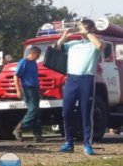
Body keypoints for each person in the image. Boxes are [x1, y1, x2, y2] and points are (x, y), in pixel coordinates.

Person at [54, 18, 104, 155]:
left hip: (86, 80)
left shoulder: (95, 43)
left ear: (90, 29)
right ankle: (69, 143)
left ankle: (87, 144)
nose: (80, 29)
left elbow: (99, 46)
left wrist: (87, 32)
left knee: (86, 113)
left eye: (83, 27)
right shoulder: (73, 44)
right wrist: (64, 36)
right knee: (67, 111)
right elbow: (57, 47)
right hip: (71, 79)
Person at [12, 46, 42, 142]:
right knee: (33, 110)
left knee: (36, 112)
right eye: (38, 55)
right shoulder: (23, 62)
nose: (38, 58)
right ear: (34, 53)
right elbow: (16, 77)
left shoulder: (34, 63)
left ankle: (37, 135)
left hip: (35, 89)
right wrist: (18, 90)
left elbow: (34, 77)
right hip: (27, 89)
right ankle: (19, 127)